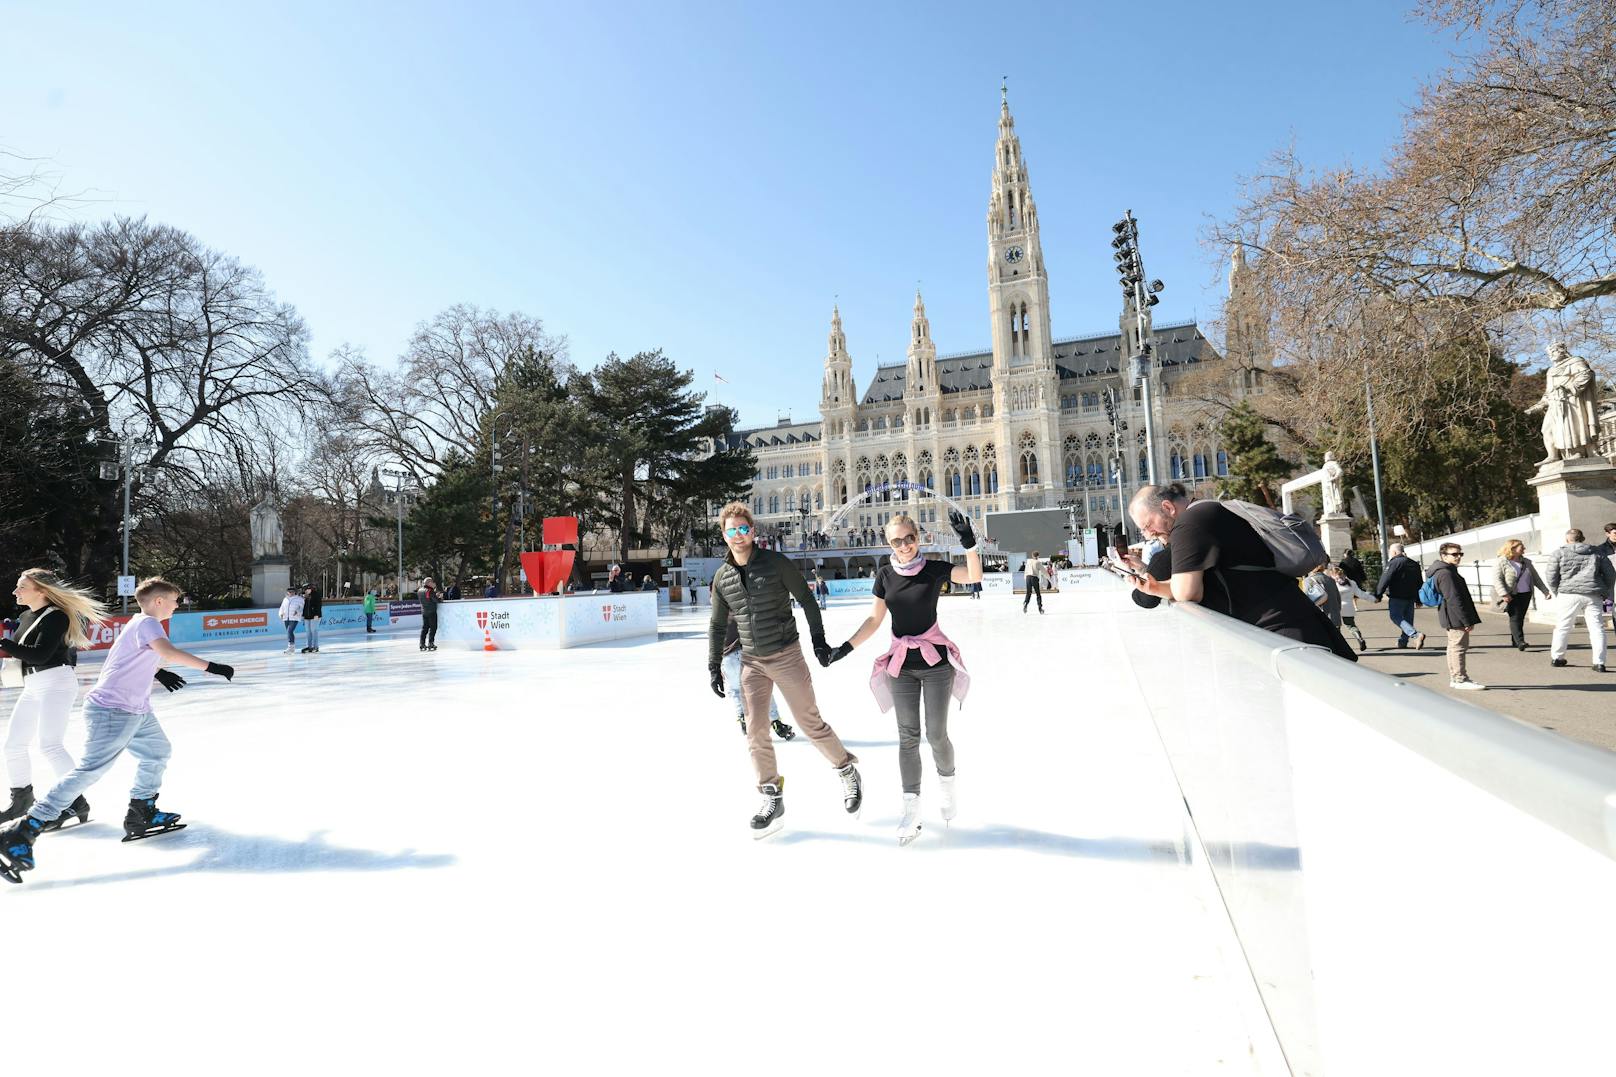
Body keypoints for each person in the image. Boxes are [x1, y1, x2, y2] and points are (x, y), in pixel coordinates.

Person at [0, 577, 236, 884]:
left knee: (157, 752)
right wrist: (212, 667)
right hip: (114, 709)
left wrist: (159, 671)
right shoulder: (149, 623)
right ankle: (24, 829)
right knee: (90, 770)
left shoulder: (140, 624)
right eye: (176, 600)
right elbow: (167, 649)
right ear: (159, 601)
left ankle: (141, 811)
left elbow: (132, 658)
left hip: (135, 709)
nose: (178, 605)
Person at [824, 511, 981, 845]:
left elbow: (973, 576)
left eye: (909, 538)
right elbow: (874, 620)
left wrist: (968, 543)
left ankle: (947, 784)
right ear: (888, 543)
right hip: (901, 666)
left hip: (936, 663)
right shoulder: (884, 575)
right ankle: (911, 809)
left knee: (937, 735)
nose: (905, 545)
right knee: (907, 738)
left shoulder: (935, 568)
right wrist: (845, 648)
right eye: (897, 541)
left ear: (918, 537)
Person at [706, 502, 861, 838]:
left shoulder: (775, 564)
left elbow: (806, 599)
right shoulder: (722, 577)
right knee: (755, 730)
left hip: (786, 654)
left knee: (810, 722)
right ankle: (771, 796)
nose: (738, 536)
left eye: (743, 529)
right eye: (731, 530)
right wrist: (713, 665)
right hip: (751, 662)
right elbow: (717, 624)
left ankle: (846, 770)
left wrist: (819, 642)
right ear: (723, 535)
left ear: (753, 531)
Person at [1124, 483, 1357, 660]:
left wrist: (1160, 588)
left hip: (1282, 633)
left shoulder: (1188, 525)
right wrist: (1154, 588)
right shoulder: (1208, 510)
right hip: (1290, 623)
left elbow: (1187, 593)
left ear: (1167, 508)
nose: (1148, 534)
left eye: (1147, 525)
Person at [0, 570, 109, 827]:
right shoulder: (26, 616)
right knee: (13, 745)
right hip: (33, 684)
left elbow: (40, 655)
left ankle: (74, 802)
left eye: (21, 587)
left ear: (42, 591)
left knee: (50, 745)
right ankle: (22, 801)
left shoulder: (57, 616)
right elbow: (20, 654)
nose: (15, 592)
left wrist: (3, 643)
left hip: (56, 682)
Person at [1544, 528, 1615, 673]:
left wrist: (1557, 590)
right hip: (1592, 593)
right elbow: (1610, 574)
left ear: (1567, 539)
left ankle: (1557, 657)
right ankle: (1599, 662)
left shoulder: (1559, 553)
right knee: (1597, 628)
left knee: (1563, 626)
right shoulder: (1597, 552)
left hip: (1568, 593)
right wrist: (1606, 590)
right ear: (1582, 539)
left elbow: (1551, 575)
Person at [720, 613, 796, 741]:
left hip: (726, 660)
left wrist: (717, 667)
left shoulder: (717, 619)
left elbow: (714, 644)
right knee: (762, 689)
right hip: (743, 655)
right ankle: (776, 722)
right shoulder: (740, 613)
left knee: (735, 690)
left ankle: (742, 717)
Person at [1425, 543, 1485, 689]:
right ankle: (1459, 678)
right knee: (1458, 647)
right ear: (1443, 556)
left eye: (1460, 554)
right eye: (1454, 554)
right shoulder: (1445, 573)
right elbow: (1453, 598)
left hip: (1451, 614)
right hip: (1454, 615)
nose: (1458, 557)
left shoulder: (1446, 570)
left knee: (1454, 647)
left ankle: (1457, 677)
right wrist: (1466, 620)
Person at [1493, 539, 1551, 651]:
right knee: (1515, 617)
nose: (1524, 549)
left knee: (1520, 618)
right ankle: (1520, 641)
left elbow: (1535, 578)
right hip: (1511, 594)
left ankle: (1515, 641)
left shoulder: (1526, 562)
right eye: (1521, 547)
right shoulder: (1501, 562)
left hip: (1526, 593)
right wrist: (1504, 594)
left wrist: (1545, 591)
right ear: (1512, 548)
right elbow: (1497, 579)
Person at [1374, 542, 1426, 650]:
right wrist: (1418, 599)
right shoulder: (1414, 564)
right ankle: (1403, 642)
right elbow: (1419, 582)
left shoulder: (1394, 563)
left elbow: (1385, 579)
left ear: (1394, 552)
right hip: (1411, 597)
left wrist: (1378, 594)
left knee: (1395, 617)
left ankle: (1416, 635)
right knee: (1408, 619)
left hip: (1397, 596)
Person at [1327, 563, 1376, 652]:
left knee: (1336, 627)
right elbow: (1361, 594)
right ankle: (1359, 638)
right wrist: (1373, 599)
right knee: (1351, 625)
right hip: (1349, 607)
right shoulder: (1352, 583)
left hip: (1336, 607)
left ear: (1333, 575)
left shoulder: (1333, 583)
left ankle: (1339, 646)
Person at [278, 586, 304, 653]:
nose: (290, 593)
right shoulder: (285, 599)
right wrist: (281, 613)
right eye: (289, 592)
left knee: (289, 631)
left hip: (294, 617)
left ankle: (290, 647)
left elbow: (301, 607)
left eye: (292, 592)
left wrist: (297, 611)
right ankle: (292, 647)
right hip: (286, 617)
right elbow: (282, 607)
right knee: (289, 632)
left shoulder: (299, 599)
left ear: (294, 592)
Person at [419, 577, 441, 651]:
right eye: (432, 582)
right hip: (431, 611)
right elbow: (436, 600)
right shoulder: (429, 590)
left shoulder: (420, 590)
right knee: (433, 628)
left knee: (425, 628)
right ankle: (430, 642)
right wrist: (439, 597)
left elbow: (427, 598)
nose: (433, 583)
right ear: (429, 583)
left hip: (424, 612)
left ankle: (422, 643)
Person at [301, 583, 324, 653]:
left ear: (310, 589)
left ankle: (315, 646)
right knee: (308, 632)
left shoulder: (316, 595)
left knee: (314, 631)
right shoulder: (305, 596)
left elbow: (318, 605)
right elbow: (305, 606)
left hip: (315, 616)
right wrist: (303, 615)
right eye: (305, 590)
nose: (305, 591)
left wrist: (317, 614)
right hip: (307, 617)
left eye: (307, 589)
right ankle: (309, 646)